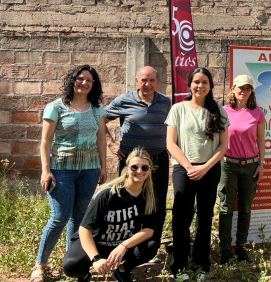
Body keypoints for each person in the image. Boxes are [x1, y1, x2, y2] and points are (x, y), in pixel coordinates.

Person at [31, 65, 107, 282]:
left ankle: (73, 266)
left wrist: (103, 166)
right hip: (61, 170)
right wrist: (46, 170)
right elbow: (45, 141)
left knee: (80, 219)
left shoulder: (97, 109)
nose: (84, 83)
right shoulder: (56, 107)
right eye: (80, 79)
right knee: (59, 217)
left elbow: (101, 139)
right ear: (72, 80)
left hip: (89, 170)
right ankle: (40, 265)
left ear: (94, 85)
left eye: (89, 80)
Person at [165, 67, 229, 278]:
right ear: (189, 84)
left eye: (204, 82)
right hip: (184, 170)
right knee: (181, 217)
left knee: (205, 216)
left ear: (210, 86)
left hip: (209, 170)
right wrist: (190, 167)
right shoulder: (178, 109)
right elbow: (171, 143)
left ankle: (202, 263)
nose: (200, 86)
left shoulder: (218, 110)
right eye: (196, 82)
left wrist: (205, 167)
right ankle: (180, 266)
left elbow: (223, 146)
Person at [104, 66, 171, 257]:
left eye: (151, 80)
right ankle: (124, 247)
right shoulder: (124, 100)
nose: (147, 84)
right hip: (131, 163)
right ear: (137, 81)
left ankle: (150, 247)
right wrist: (111, 143)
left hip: (158, 161)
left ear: (158, 82)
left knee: (157, 203)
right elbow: (99, 119)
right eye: (144, 80)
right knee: (126, 203)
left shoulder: (165, 103)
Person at [62, 148, 157, 282]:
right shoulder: (108, 194)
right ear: (127, 169)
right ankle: (84, 275)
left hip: (122, 245)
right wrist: (95, 258)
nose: (140, 171)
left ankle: (122, 271)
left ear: (150, 170)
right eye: (134, 167)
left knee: (151, 246)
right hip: (97, 243)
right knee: (71, 265)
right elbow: (84, 229)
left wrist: (124, 246)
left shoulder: (148, 196)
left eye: (144, 167)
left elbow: (149, 230)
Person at [218, 75, 266, 264]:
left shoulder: (257, 113)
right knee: (226, 208)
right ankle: (225, 249)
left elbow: (261, 141)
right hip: (228, 165)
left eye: (247, 88)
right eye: (240, 87)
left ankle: (240, 247)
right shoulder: (224, 111)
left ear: (251, 91)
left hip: (251, 166)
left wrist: (262, 164)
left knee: (245, 208)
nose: (243, 91)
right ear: (233, 88)